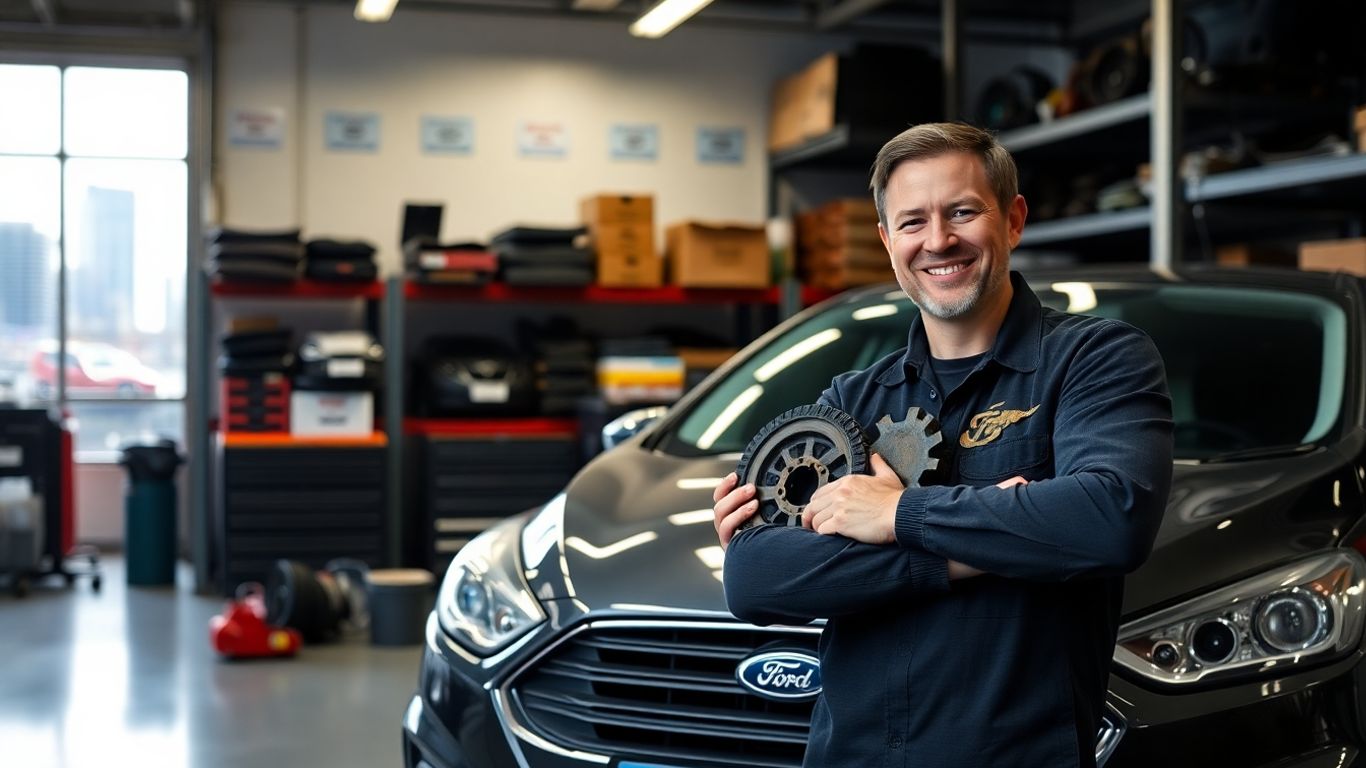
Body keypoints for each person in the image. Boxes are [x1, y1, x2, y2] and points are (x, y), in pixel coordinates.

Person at [711, 122, 1173, 768]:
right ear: (886, 241)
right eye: (912, 222)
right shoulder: (852, 399)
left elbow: (1110, 517)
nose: (938, 241)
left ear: (1013, 221)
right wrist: (972, 551)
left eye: (962, 212)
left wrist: (898, 516)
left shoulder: (1096, 361)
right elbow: (754, 575)